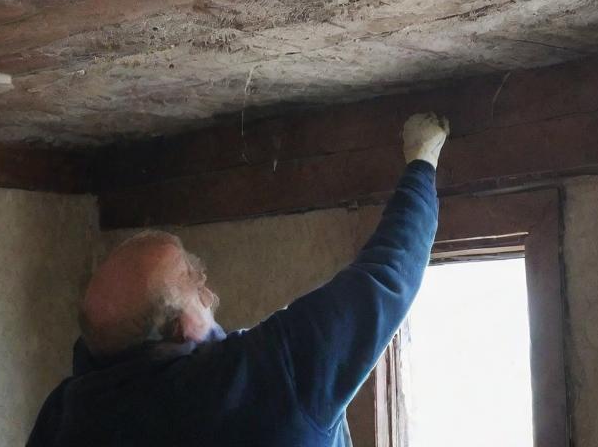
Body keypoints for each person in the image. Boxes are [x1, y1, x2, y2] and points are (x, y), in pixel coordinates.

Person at [27, 112, 449, 446]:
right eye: (195, 280)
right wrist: (422, 163)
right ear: (183, 327)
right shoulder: (267, 377)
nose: (210, 290)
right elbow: (386, 275)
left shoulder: (65, 414)